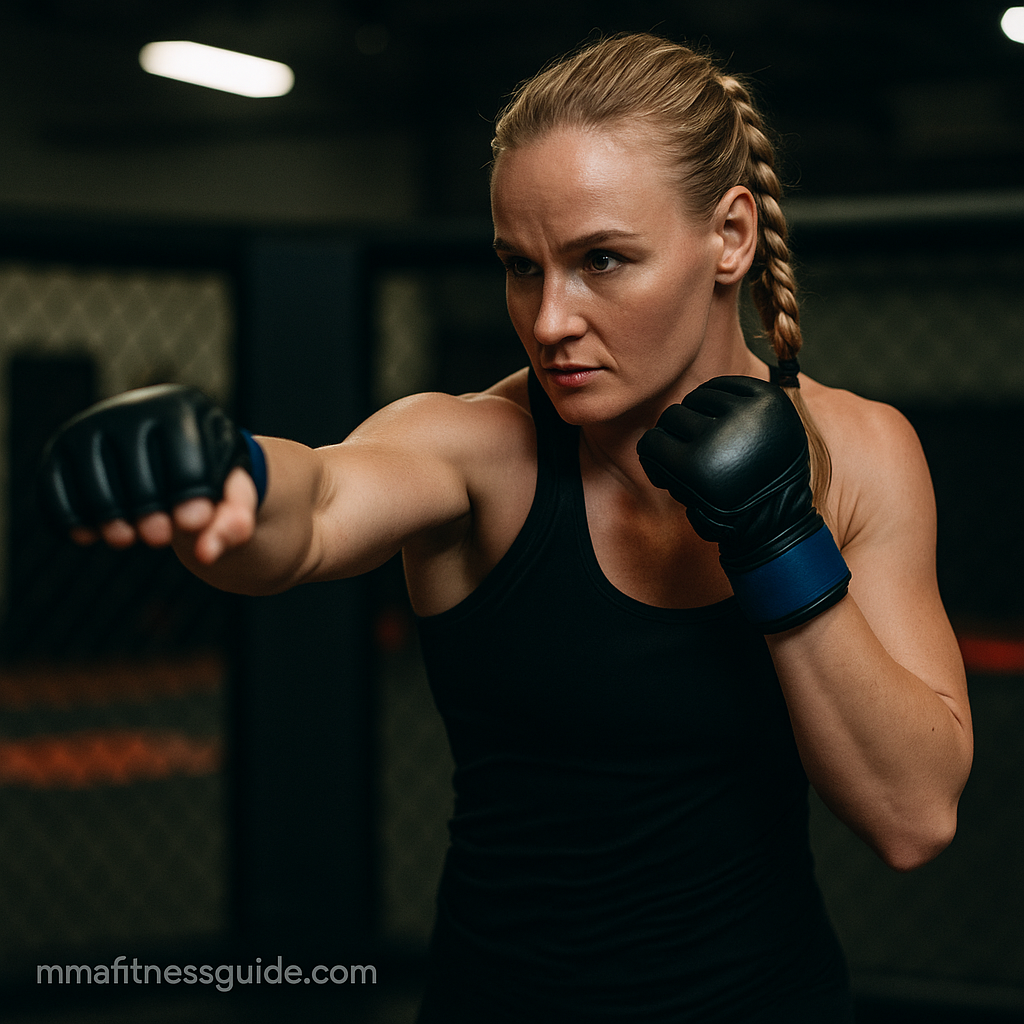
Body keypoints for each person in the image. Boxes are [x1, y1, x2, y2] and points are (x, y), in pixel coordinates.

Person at [38, 32, 972, 1024]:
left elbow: (913, 815)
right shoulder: (479, 445)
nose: (549, 317)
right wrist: (225, 468)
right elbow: (308, 512)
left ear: (729, 238)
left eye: (600, 261)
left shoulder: (857, 454)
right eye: (520, 267)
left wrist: (776, 540)